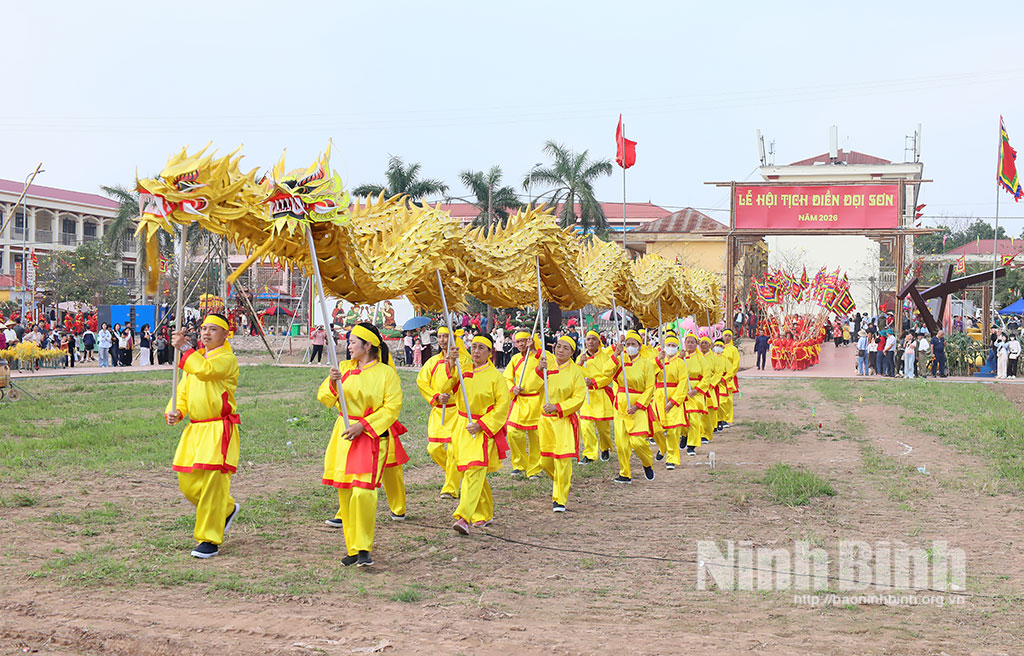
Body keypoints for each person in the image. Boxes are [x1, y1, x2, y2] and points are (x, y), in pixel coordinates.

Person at [318, 322, 404, 566]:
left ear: (367, 345)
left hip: (370, 436)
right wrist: (333, 382)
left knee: (363, 491)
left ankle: (365, 546)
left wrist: (364, 425)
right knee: (345, 492)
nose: (349, 346)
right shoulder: (344, 368)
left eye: (353, 341)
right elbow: (324, 397)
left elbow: (392, 408)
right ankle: (353, 548)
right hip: (344, 435)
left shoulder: (387, 373)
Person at [164, 314, 241, 559]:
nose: (206, 333)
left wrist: (185, 348)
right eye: (204, 328)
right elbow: (183, 393)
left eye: (213, 329)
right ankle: (225, 509)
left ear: (225, 334)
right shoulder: (194, 360)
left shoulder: (227, 359)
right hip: (195, 429)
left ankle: (209, 539)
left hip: (219, 429)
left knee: (212, 485)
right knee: (188, 484)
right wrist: (175, 410)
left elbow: (206, 372)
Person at [442, 334, 510, 534]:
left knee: (474, 470)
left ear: (490, 352)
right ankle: (485, 513)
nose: (476, 351)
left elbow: (502, 406)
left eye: (481, 348)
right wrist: (451, 365)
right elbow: (445, 388)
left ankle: (463, 517)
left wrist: (482, 424)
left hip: (482, 430)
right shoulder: (463, 371)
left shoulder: (496, 377)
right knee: (471, 472)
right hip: (462, 427)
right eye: (474, 347)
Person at [416, 327, 468, 500]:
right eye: (440, 337)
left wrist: (452, 365)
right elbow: (422, 382)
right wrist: (436, 396)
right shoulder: (432, 362)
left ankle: (450, 487)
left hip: (456, 411)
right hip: (438, 411)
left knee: (453, 450)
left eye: (446, 336)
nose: (443, 340)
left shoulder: (463, 360)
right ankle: (455, 472)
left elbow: (464, 380)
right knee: (433, 448)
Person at [536, 335, 586, 512]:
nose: (560, 350)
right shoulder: (545, 366)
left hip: (563, 420)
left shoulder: (576, 372)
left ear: (572, 352)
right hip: (546, 422)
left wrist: (558, 407)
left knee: (562, 460)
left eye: (566, 348)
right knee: (546, 461)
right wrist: (537, 371)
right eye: (558, 346)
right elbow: (533, 388)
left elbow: (579, 398)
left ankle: (560, 498)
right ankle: (561, 482)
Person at [609, 331, 656, 483]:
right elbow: (606, 372)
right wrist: (615, 355)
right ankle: (625, 473)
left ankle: (647, 462)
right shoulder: (620, 361)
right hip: (620, 406)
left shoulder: (646, 364)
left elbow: (650, 387)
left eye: (633, 344)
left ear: (639, 346)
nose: (630, 347)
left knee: (638, 442)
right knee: (621, 443)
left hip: (638, 407)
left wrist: (637, 406)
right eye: (627, 344)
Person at [504, 330, 552, 479]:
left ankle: (535, 469)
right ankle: (519, 464)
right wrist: (512, 388)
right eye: (518, 342)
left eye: (524, 341)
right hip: (519, 401)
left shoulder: (542, 356)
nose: (521, 344)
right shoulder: (515, 359)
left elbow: (548, 375)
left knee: (536, 437)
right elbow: (506, 377)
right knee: (513, 432)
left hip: (536, 401)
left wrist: (535, 353)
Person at [577, 330, 615, 464]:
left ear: (599, 342)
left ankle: (605, 448)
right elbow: (574, 374)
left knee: (603, 428)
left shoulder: (605, 358)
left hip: (600, 395)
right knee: (586, 426)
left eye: (594, 339)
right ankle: (589, 453)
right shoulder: (580, 357)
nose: (590, 342)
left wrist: (593, 382)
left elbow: (608, 376)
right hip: (586, 397)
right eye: (588, 339)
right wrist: (580, 364)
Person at [651, 335, 685, 470]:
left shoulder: (680, 363)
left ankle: (672, 458)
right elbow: (648, 373)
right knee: (655, 428)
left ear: (677, 348)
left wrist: (673, 401)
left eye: (673, 346)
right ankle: (663, 447)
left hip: (674, 398)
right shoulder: (659, 360)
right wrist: (657, 361)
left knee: (673, 430)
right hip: (658, 397)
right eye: (668, 345)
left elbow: (683, 383)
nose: (670, 348)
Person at [698, 336, 723, 444]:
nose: (703, 345)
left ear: (710, 345)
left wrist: (710, 383)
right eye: (702, 343)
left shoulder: (714, 359)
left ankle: (707, 433)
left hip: (709, 388)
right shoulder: (696, 357)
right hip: (697, 388)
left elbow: (718, 373)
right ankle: (697, 433)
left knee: (709, 411)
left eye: (706, 343)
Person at [720, 330, 740, 427]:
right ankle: (719, 418)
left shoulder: (733, 349)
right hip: (718, 377)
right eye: (725, 335)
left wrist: (728, 375)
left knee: (728, 399)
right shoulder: (718, 348)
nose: (727, 337)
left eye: (729, 336)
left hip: (728, 377)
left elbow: (735, 364)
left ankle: (726, 418)